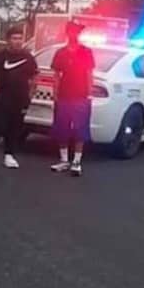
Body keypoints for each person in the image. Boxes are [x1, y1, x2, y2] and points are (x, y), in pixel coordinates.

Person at [0, 25, 38, 169]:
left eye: (20, 38)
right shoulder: (0, 56)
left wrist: (30, 94)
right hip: (3, 96)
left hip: (20, 97)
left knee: (15, 126)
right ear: (8, 40)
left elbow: (35, 75)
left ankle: (9, 155)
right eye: (14, 38)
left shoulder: (27, 56)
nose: (18, 41)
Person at [49, 21, 95, 176]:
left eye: (76, 32)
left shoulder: (86, 52)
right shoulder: (60, 52)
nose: (73, 34)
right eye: (71, 31)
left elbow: (89, 73)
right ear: (67, 33)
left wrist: (89, 93)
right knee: (61, 127)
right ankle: (63, 160)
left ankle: (76, 161)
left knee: (80, 129)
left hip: (81, 96)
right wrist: (54, 94)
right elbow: (56, 74)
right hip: (64, 95)